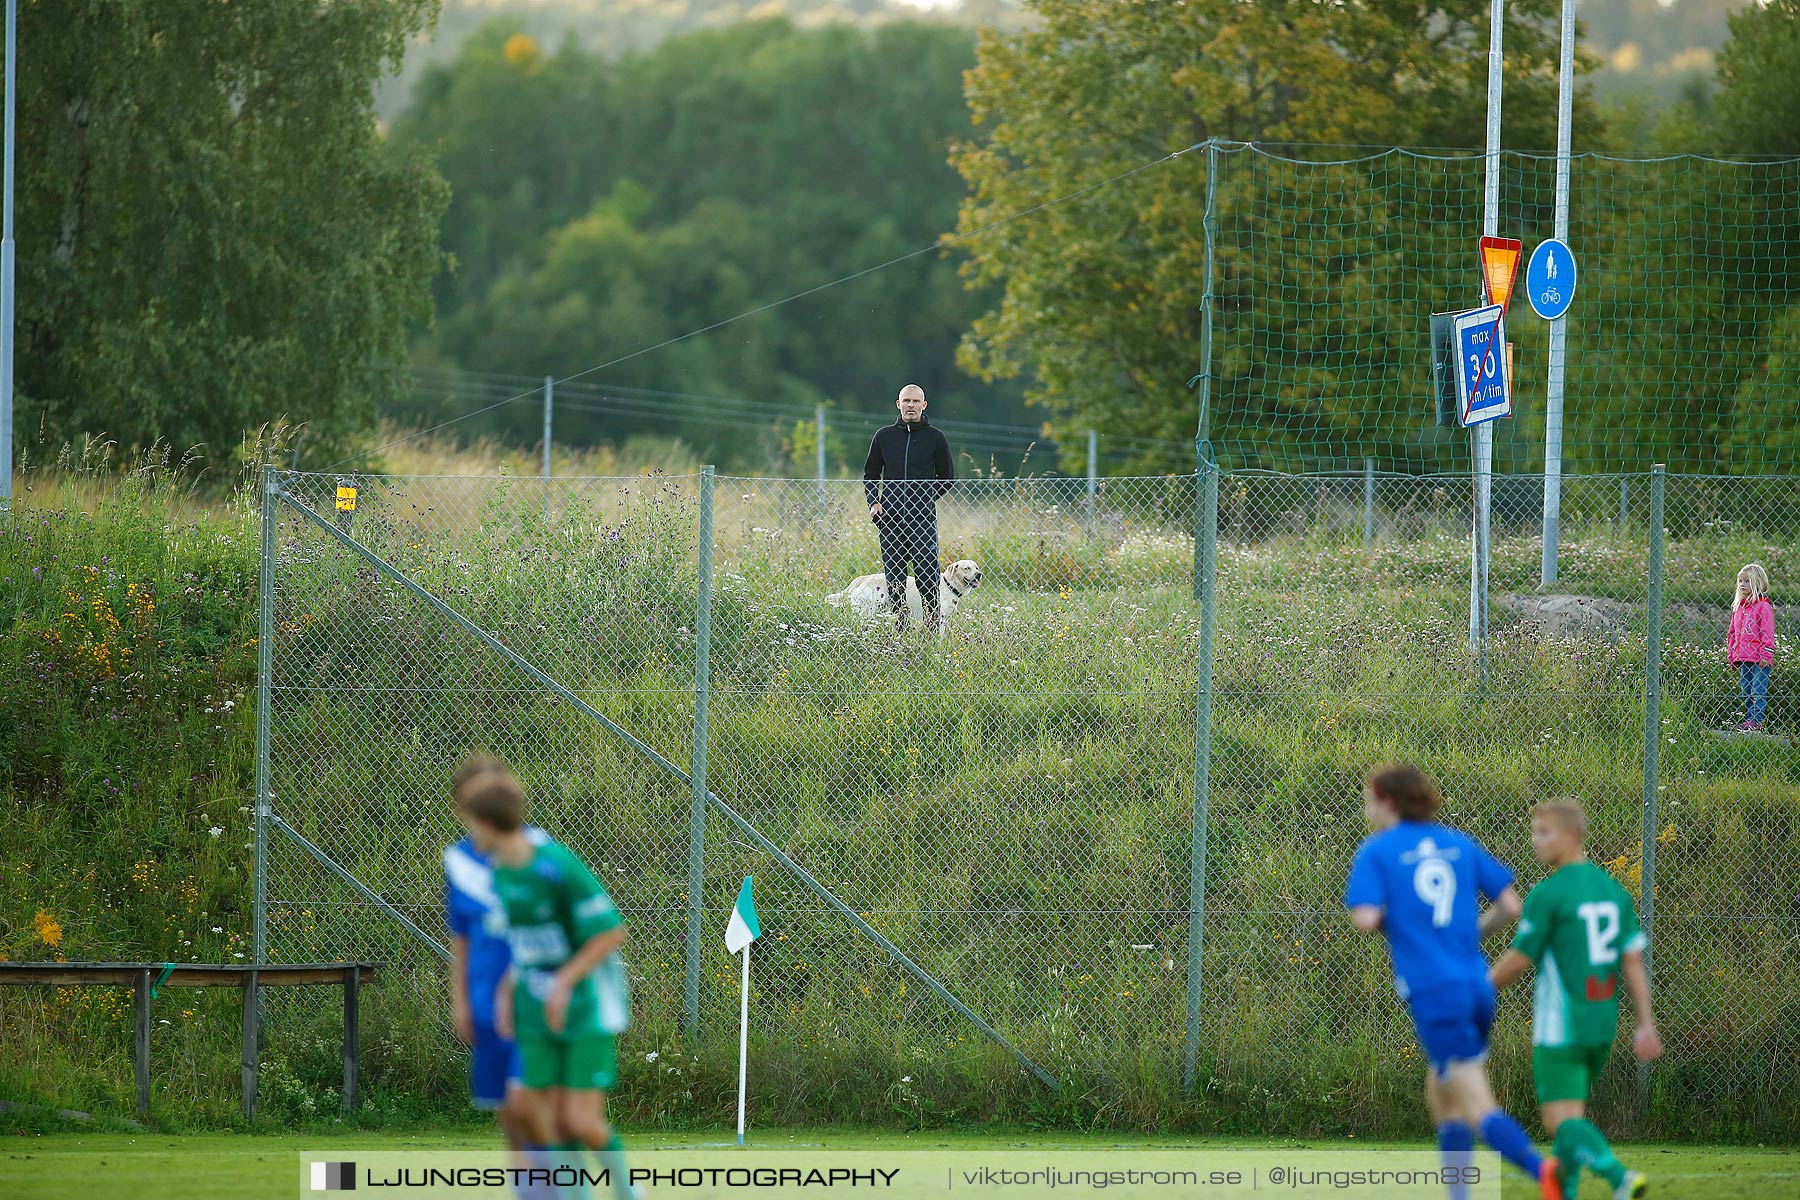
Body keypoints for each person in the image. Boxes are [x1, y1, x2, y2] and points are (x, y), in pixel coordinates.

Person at [1344, 764, 1562, 1200]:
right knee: (1442, 1092)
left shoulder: (1377, 850)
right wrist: (1463, 936)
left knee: (1475, 1101)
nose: (1366, 808)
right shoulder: (1457, 843)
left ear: (1387, 801)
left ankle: (1543, 1171)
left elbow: (1365, 918)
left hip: (1434, 992)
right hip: (1476, 985)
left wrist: (1409, 925)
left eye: (1370, 799)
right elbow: (1510, 907)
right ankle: (1459, 1195)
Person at [456, 759, 637, 1200]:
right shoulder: (500, 874)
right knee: (549, 1122)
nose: (470, 835)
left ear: (485, 822)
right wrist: (505, 991)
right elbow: (524, 948)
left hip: (583, 1009)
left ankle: (628, 1192)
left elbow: (611, 931)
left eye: (470, 823)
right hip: (533, 1012)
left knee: (580, 1122)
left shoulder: (556, 865)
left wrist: (564, 981)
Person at [1490, 800, 1660, 1200]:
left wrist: (1480, 989)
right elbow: (1632, 961)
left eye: (1544, 832)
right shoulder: (1612, 889)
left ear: (1572, 837)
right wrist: (1645, 1023)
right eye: (1534, 831)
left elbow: (1520, 958)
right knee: (1571, 1121)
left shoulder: (1549, 894)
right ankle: (1562, 1192)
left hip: (1561, 1024)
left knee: (1559, 1123)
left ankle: (1619, 1177)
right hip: (1601, 1022)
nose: (1536, 840)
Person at [444, 756, 552, 1156]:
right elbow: (461, 938)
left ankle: (563, 1186)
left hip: (533, 997)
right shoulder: (457, 861)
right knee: (507, 1113)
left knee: (528, 1100)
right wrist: (461, 1002)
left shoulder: (539, 851)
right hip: (486, 997)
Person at [863, 384, 953, 631]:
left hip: (922, 518)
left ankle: (932, 625)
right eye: (906, 401)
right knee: (894, 577)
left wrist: (924, 498)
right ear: (898, 404)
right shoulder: (883, 436)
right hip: (889, 520)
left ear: (924, 405)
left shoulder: (935, 437)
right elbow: (870, 474)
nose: (911, 405)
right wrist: (874, 502)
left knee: (926, 574)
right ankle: (899, 628)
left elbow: (947, 477)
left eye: (915, 401)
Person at [1727, 562, 1774, 731]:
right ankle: (1749, 720)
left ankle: (1756, 722)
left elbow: (1767, 633)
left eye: (1747, 581)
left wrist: (1766, 655)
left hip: (1759, 659)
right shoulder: (1738, 608)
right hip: (1743, 658)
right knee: (1746, 691)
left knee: (1757, 691)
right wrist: (1732, 655)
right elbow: (1732, 633)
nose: (1742, 585)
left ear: (1757, 583)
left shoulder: (1763, 607)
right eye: (1740, 581)